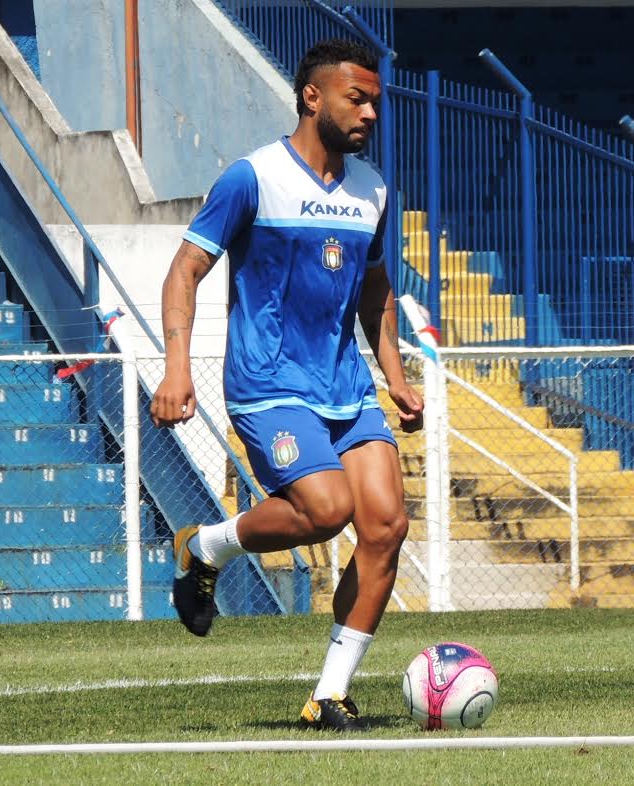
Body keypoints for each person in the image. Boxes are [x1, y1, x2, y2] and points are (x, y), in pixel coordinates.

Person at [150, 38, 423, 731]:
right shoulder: (252, 177)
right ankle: (203, 547)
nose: (368, 113)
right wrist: (177, 368)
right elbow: (184, 270)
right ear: (312, 96)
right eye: (354, 98)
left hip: (345, 388)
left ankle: (328, 695)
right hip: (269, 385)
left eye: (373, 102)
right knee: (326, 508)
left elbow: (375, 290)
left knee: (386, 525)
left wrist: (395, 377)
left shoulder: (373, 190)